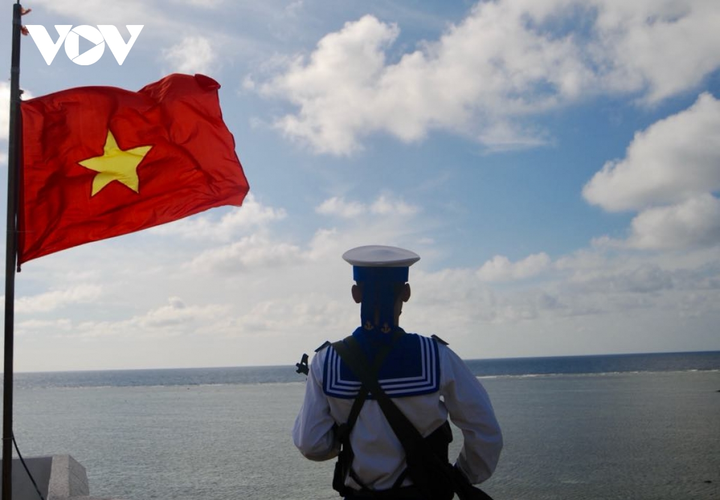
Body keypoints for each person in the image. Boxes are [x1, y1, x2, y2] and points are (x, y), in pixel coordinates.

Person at [293, 245, 503, 499]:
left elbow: (311, 444)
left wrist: (344, 437)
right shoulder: (436, 356)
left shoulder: (326, 361)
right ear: (406, 292)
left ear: (356, 294)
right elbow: (485, 431)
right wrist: (461, 475)